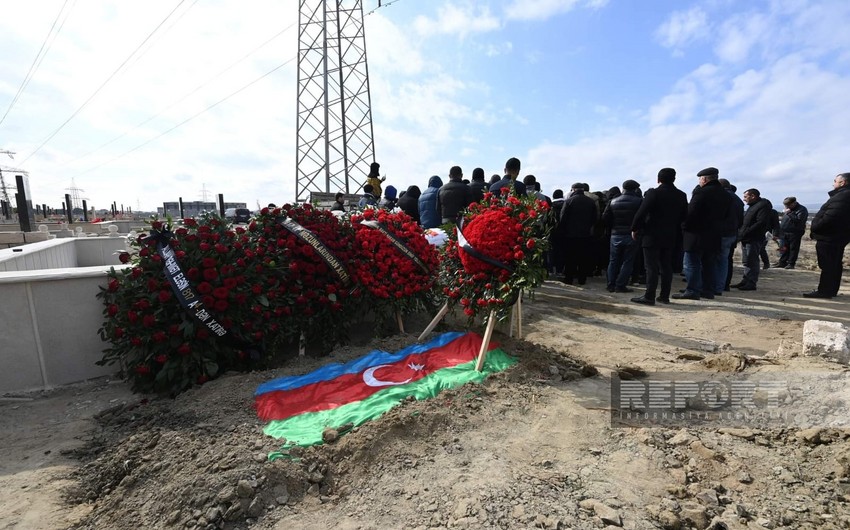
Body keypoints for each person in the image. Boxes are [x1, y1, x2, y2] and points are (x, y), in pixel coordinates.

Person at [629, 168, 688, 305]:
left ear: (658, 179)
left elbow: (641, 213)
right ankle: (664, 296)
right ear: (674, 179)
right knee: (666, 266)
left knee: (651, 267)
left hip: (652, 234)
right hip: (671, 235)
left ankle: (649, 296)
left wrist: (634, 228)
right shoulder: (681, 195)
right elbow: (684, 216)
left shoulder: (653, 193)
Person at [673, 167, 733, 300]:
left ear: (704, 179)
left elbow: (691, 213)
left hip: (696, 234)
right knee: (709, 264)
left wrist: (684, 227)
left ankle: (693, 290)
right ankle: (707, 290)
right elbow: (727, 216)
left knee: (692, 263)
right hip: (715, 234)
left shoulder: (701, 193)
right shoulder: (725, 195)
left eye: (700, 179)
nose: (699, 181)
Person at [804, 173, 850, 298]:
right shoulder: (843, 195)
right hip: (836, 237)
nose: (833, 183)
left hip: (830, 237)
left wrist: (816, 226)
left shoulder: (843, 196)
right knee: (834, 264)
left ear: (843, 183)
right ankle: (830, 290)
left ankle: (825, 291)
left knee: (828, 265)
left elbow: (832, 217)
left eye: (835, 181)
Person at [602, 179, 643, 293]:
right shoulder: (639, 201)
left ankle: (610, 284)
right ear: (635, 189)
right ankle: (620, 285)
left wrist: (613, 227)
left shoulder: (613, 201)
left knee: (613, 260)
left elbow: (605, 218)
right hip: (632, 234)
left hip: (615, 234)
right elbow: (643, 218)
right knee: (628, 261)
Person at [556, 182, 599, 285]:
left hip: (570, 234)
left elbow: (563, 218)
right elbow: (595, 218)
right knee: (583, 257)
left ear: (573, 189)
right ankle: (582, 279)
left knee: (570, 257)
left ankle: (569, 278)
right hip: (585, 234)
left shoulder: (569, 201)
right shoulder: (590, 202)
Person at [734, 189, 773, 291]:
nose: (744, 199)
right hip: (746, 237)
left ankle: (751, 283)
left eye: (746, 197)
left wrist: (746, 231)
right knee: (746, 261)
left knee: (752, 261)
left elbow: (760, 223)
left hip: (754, 238)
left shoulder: (763, 206)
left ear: (753, 196)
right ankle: (745, 280)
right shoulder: (753, 206)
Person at [718, 178, 744, 292]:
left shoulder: (723, 197)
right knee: (727, 259)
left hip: (722, 233)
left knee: (718, 260)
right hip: (732, 233)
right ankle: (724, 284)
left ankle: (717, 285)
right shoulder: (738, 200)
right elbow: (741, 220)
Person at [775, 197, 808, 269]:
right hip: (784, 231)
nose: (787, 207)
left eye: (788, 205)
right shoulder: (789, 210)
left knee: (793, 248)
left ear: (794, 203)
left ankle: (791, 263)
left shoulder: (802, 209)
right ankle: (782, 262)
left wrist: (789, 213)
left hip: (795, 232)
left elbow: (799, 221)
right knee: (784, 247)